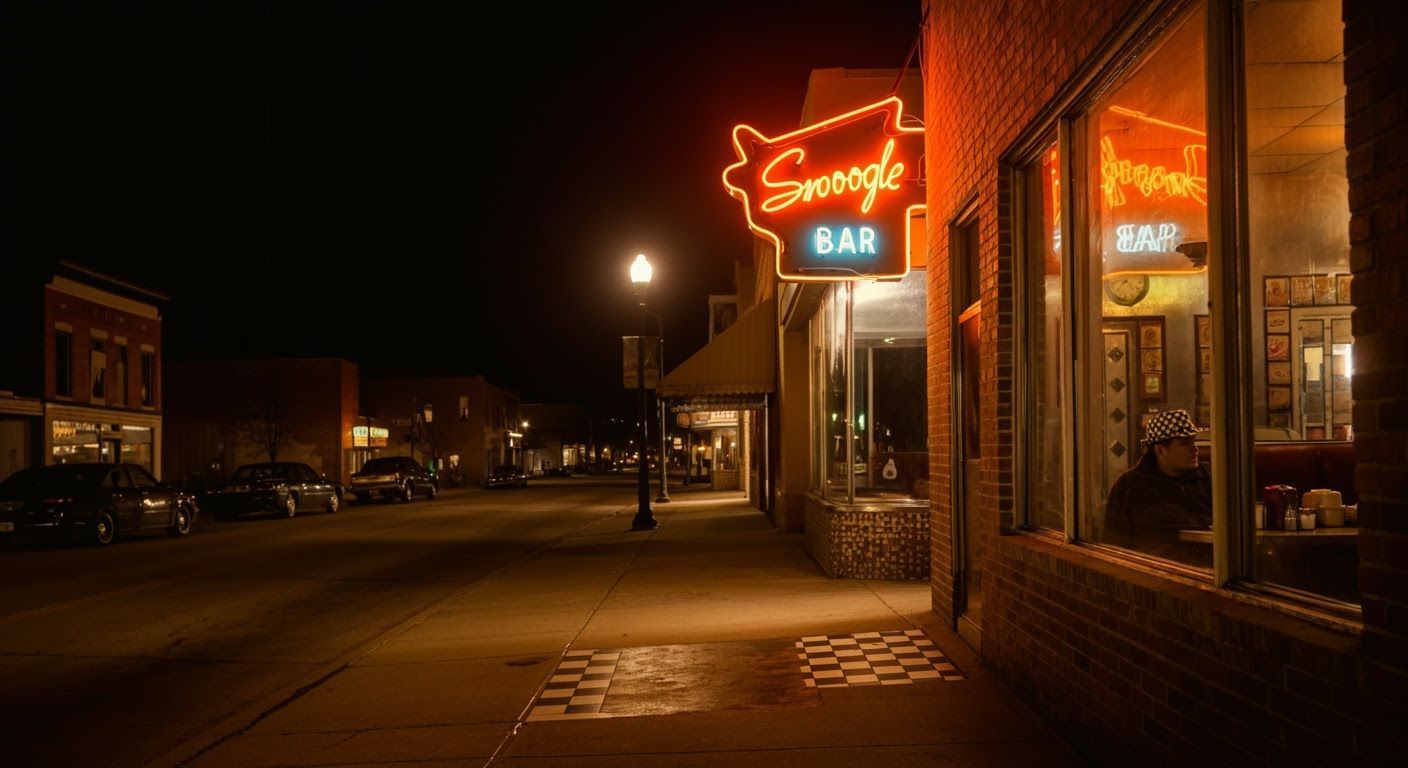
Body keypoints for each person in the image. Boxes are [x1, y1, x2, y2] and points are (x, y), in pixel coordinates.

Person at [1104, 409, 1212, 563]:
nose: (1195, 449)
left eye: (1193, 441)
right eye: (1184, 443)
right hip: (1158, 566)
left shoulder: (1206, 475)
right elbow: (1114, 542)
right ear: (1161, 451)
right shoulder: (1131, 485)